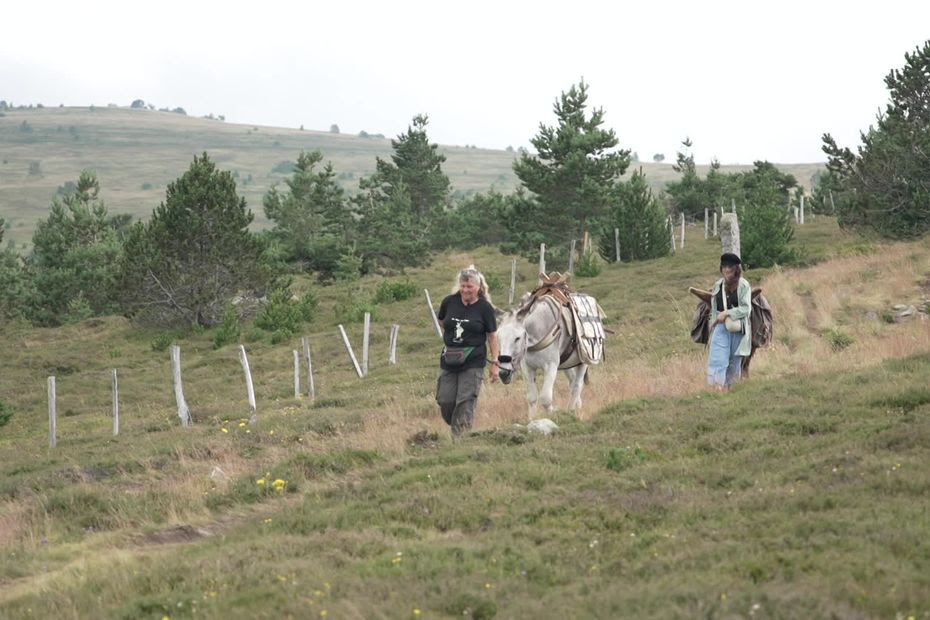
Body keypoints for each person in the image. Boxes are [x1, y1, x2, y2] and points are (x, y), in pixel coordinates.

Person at [436, 265, 500, 437]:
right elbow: (442, 321)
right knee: (445, 400)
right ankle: (459, 426)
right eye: (463, 286)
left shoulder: (485, 308)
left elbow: (492, 336)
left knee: (465, 401)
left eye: (469, 286)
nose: (465, 290)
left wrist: (495, 363)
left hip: (473, 361)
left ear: (478, 288)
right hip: (449, 359)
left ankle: (461, 440)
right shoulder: (449, 302)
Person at [707, 252, 752, 392]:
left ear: (736, 269)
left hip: (737, 329)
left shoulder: (743, 285)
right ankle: (716, 390)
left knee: (734, 362)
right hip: (720, 327)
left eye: (730, 267)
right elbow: (714, 309)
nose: (727, 270)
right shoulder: (718, 285)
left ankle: (732, 391)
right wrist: (712, 324)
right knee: (717, 359)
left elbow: (746, 309)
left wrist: (728, 313)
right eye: (724, 266)